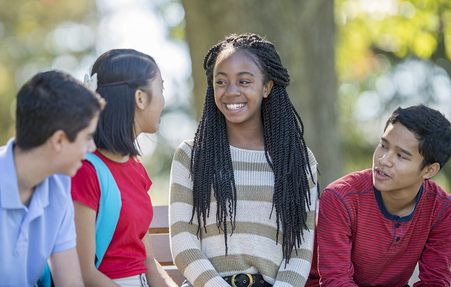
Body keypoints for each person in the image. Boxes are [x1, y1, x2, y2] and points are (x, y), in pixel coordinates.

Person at [169, 33, 319, 287]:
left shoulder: (297, 160)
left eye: (244, 81)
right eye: (221, 82)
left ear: (267, 87)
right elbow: (184, 241)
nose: (231, 92)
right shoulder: (191, 156)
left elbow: (300, 249)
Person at [0, 70, 104, 287]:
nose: (92, 148)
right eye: (88, 137)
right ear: (59, 140)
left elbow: (70, 283)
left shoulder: (59, 186)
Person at [305, 105, 451, 287]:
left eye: (400, 156)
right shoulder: (341, 198)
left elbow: (435, 281)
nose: (384, 160)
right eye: (383, 146)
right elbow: (336, 281)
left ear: (429, 170)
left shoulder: (442, 209)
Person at [71, 49, 177, 287]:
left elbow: (148, 261)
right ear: (140, 98)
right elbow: (83, 271)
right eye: (160, 89)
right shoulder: (84, 171)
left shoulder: (136, 169)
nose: (163, 100)